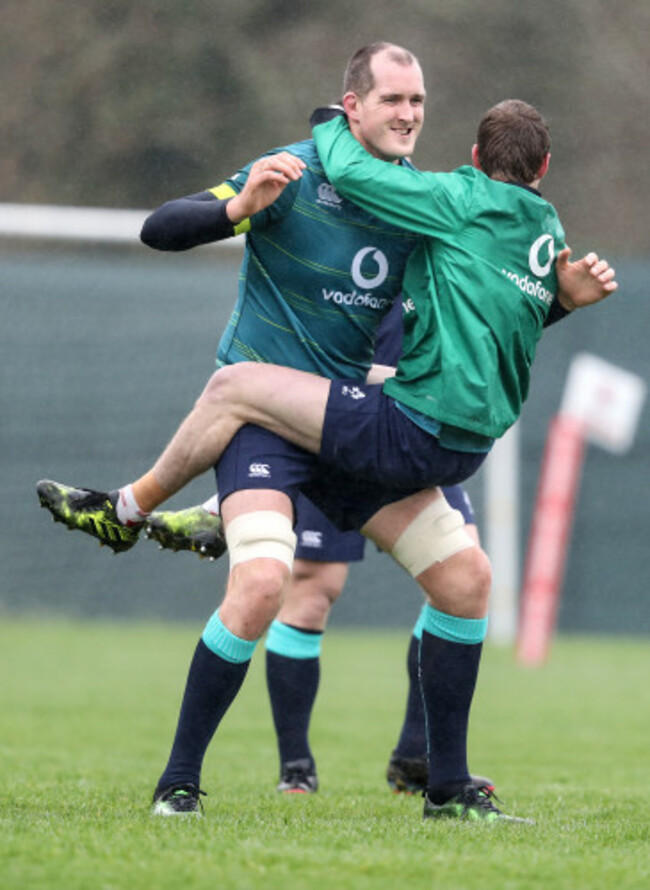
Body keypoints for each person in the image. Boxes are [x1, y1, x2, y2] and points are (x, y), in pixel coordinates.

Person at [37, 55, 617, 824]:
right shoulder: (293, 171)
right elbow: (159, 228)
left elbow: (476, 314)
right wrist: (237, 206)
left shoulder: (422, 203)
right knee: (264, 586)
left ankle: (442, 786)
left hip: (355, 426)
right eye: (393, 98)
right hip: (267, 430)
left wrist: (556, 303)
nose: (409, 113)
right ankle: (179, 783)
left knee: (466, 580)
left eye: (419, 99)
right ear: (353, 106)